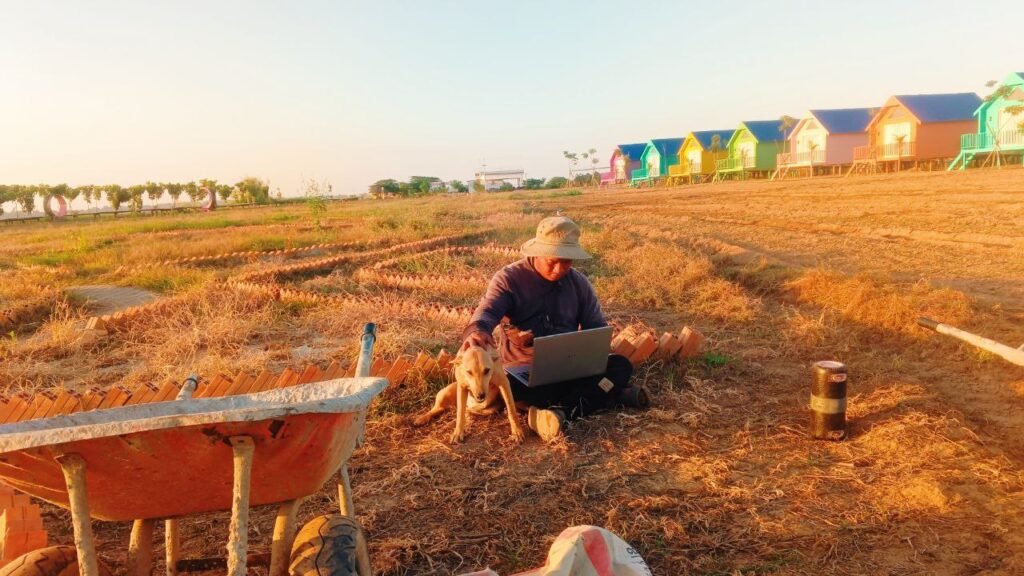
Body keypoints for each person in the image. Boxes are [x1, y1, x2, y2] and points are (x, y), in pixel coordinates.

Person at [461, 215, 649, 441]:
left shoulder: (579, 284)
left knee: (620, 366)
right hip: (524, 372)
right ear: (537, 253)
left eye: (567, 261)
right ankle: (607, 394)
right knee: (510, 388)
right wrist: (478, 331)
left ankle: (561, 412)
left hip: (570, 367)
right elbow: (487, 312)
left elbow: (596, 328)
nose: (560, 269)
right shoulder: (508, 279)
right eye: (553, 261)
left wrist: (593, 351)